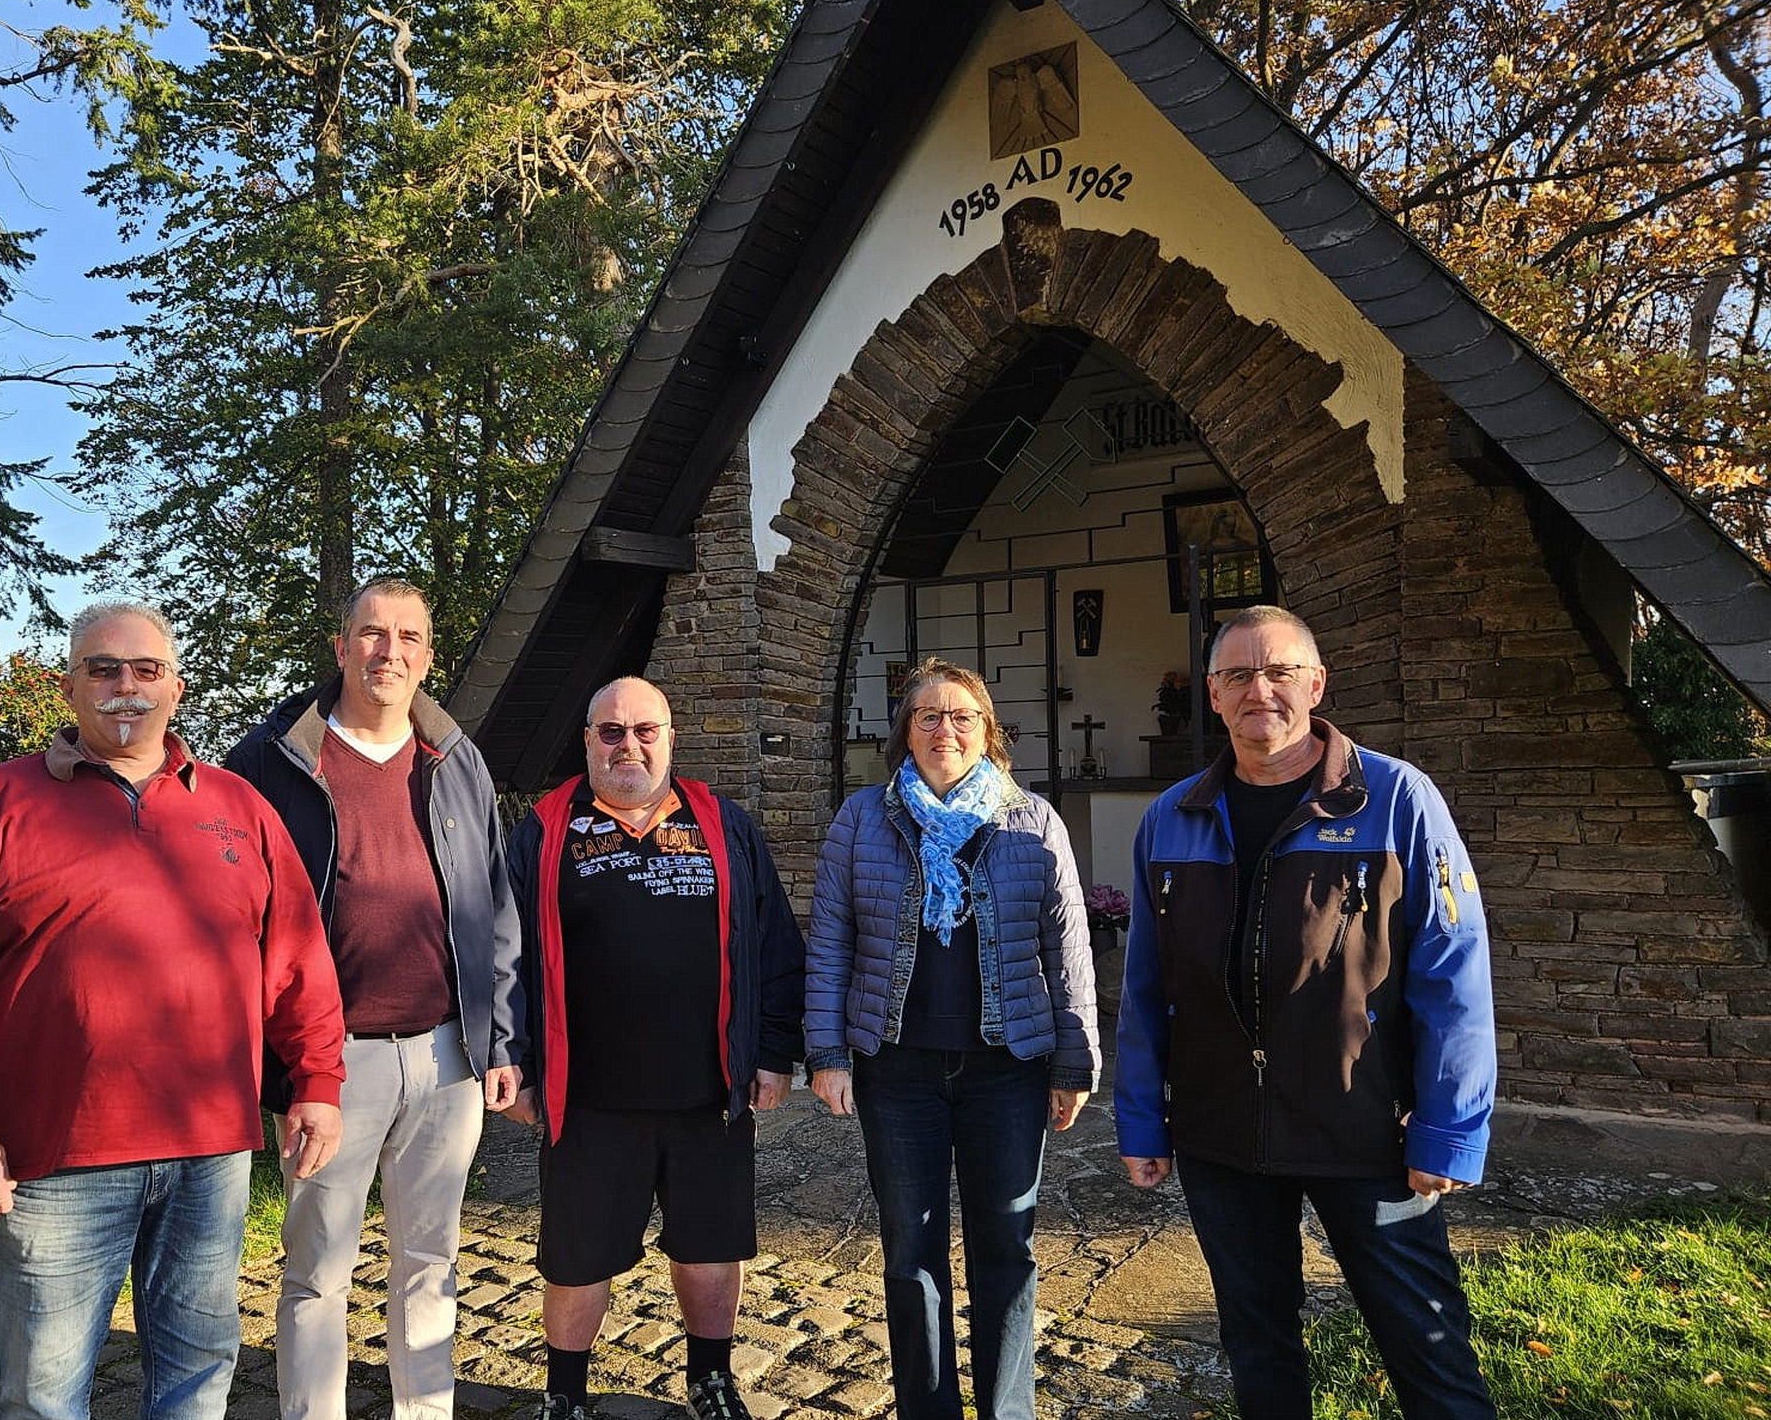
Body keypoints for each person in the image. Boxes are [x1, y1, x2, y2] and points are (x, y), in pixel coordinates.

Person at [0, 599, 347, 1420]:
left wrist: (316, 1080)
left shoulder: (239, 807)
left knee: (199, 1372)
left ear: (176, 688)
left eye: (146, 668)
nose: (125, 685)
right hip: (55, 1156)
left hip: (209, 1151)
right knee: (46, 1393)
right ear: (68, 688)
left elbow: (299, 959)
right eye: (102, 669)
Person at [1115, 605, 1499, 1420]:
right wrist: (1143, 1119)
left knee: (1427, 1344)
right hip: (1222, 1134)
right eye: (1237, 675)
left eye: (1280, 670)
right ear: (1213, 696)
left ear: (1316, 684)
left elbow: (1454, 971)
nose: (1260, 689)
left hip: (1366, 1129)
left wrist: (1449, 1127)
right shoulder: (1170, 818)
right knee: (1257, 1345)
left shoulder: (1396, 799)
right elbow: (1146, 987)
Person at [225, 577, 525, 1420]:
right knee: (318, 1267)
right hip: (329, 1064)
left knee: (431, 1259)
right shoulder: (273, 760)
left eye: (408, 636)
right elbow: (232, 915)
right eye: (371, 632)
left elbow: (495, 906)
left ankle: (422, 1411)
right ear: (341, 647)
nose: (389, 651)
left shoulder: (456, 758)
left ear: (427, 656)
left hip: (446, 1054)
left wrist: (501, 1039)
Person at [804, 656, 1099, 1420]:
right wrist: (828, 1051)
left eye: (963, 715)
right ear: (906, 732)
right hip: (896, 1070)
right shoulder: (862, 819)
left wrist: (1074, 1061)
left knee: (1008, 1245)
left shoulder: (1031, 820)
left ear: (987, 731)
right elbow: (831, 939)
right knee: (911, 1253)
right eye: (928, 715)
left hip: (1008, 1071)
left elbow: (1067, 948)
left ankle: (1007, 1410)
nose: (946, 729)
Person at [502, 676, 804, 1420]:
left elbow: (775, 943)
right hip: (587, 1097)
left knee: (710, 1245)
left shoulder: (723, 824)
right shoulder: (545, 829)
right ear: (587, 741)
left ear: (670, 738)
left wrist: (773, 1053)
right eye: (611, 731)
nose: (627, 745)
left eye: (644, 730)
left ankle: (711, 1379)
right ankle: (565, 1395)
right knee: (576, 1256)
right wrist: (516, 1059)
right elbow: (502, 956)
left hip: (709, 1091)